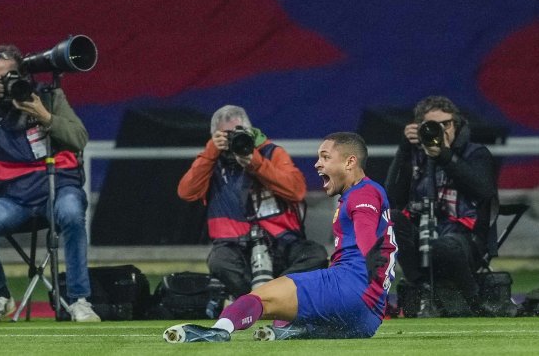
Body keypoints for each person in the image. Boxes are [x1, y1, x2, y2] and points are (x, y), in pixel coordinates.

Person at [164, 132, 397, 342]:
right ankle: (293, 330)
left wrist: (368, 262)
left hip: (349, 288)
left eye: (325, 157)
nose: (317, 163)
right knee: (282, 317)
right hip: (369, 316)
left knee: (258, 299)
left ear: (349, 162)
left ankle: (219, 331)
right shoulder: (370, 190)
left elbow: (366, 236)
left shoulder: (361, 195)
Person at [0, 44, 100, 323]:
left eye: (12, 75)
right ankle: (1, 296)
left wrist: (45, 116)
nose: (7, 82)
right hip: (14, 199)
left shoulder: (48, 96)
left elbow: (79, 138)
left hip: (57, 189)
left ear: (24, 74)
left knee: (71, 214)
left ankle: (79, 300)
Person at [177, 105, 328, 299]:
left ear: (249, 131)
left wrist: (256, 163)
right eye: (226, 135)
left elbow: (296, 190)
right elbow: (187, 192)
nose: (234, 139)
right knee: (219, 262)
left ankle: (274, 297)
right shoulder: (211, 160)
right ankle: (255, 301)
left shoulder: (271, 153)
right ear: (215, 136)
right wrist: (211, 151)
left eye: (239, 133)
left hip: (281, 241)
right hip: (234, 245)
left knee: (316, 256)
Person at [384, 95, 498, 317]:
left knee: (444, 246)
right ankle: (421, 287)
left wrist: (445, 156)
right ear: (420, 128)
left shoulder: (475, 153)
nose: (443, 130)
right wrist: (404, 150)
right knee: (392, 218)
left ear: (456, 124)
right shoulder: (414, 155)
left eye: (447, 124)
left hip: (464, 238)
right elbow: (390, 196)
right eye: (434, 126)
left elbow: (484, 192)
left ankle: (474, 300)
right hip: (421, 235)